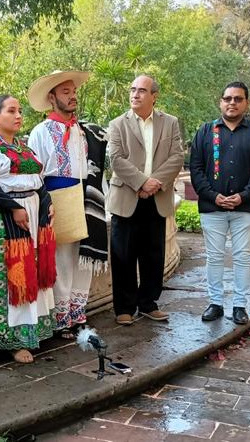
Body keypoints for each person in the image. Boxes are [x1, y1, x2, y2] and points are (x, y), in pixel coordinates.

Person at [0, 95, 57, 364]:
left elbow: (38, 182)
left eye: (19, 111)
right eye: (11, 111)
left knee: (31, 273)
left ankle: (32, 332)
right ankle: (10, 340)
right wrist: (13, 208)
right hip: (3, 221)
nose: (18, 116)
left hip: (30, 218)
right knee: (10, 277)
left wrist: (47, 203)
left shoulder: (23, 148)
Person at [27, 71, 110, 339]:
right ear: (51, 98)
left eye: (73, 91)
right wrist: (42, 205)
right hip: (57, 197)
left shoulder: (85, 132)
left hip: (86, 198)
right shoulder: (40, 132)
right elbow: (34, 173)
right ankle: (61, 318)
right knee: (60, 259)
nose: (73, 96)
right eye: (65, 92)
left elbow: (95, 169)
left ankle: (77, 313)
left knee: (84, 257)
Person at [189, 81, 250, 325]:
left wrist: (243, 195)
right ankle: (215, 303)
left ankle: (239, 305)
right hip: (212, 207)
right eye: (228, 98)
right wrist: (213, 196)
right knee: (214, 257)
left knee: (242, 256)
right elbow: (195, 168)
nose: (232, 103)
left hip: (244, 208)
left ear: (247, 103)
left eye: (238, 99)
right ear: (220, 102)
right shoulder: (205, 132)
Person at [106, 75, 184, 326]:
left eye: (141, 91)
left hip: (157, 197)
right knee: (123, 255)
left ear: (154, 96)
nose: (135, 95)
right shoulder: (118, 124)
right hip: (126, 197)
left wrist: (154, 183)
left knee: (153, 254)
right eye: (132, 90)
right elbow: (116, 159)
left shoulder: (169, 123)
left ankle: (149, 303)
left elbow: (176, 157)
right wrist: (141, 182)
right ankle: (124, 307)